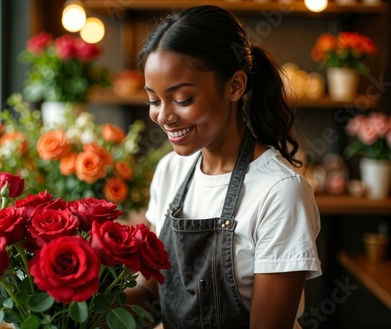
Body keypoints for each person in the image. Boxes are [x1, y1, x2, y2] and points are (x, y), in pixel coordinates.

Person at [128, 5, 322, 329]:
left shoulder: (280, 192)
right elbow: (151, 296)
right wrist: (83, 307)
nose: (163, 116)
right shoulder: (170, 170)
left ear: (235, 86)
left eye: (183, 99)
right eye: (154, 100)